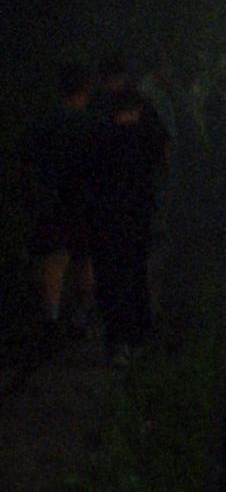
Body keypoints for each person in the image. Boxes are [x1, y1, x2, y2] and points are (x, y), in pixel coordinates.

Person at [81, 54, 169, 366]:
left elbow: (82, 165)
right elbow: (163, 153)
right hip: (136, 208)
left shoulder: (93, 115)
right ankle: (139, 336)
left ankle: (118, 341)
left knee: (110, 277)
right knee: (134, 272)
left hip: (103, 211)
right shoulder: (144, 111)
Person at [18, 63, 96, 351]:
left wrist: (29, 196)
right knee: (85, 260)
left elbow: (24, 162)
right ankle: (80, 317)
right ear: (86, 89)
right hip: (87, 203)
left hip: (52, 201)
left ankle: (50, 316)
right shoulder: (94, 124)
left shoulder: (44, 122)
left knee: (54, 259)